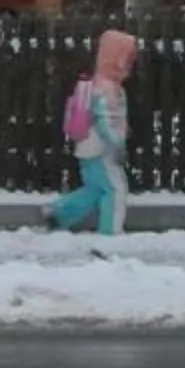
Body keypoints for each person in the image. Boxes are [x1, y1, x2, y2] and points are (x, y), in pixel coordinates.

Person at [47, 28, 137, 235]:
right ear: (117, 59)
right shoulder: (109, 88)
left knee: (96, 188)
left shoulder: (97, 82)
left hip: (87, 146)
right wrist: (118, 145)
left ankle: (59, 213)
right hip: (102, 149)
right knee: (115, 190)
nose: (131, 63)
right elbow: (107, 120)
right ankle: (110, 232)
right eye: (128, 58)